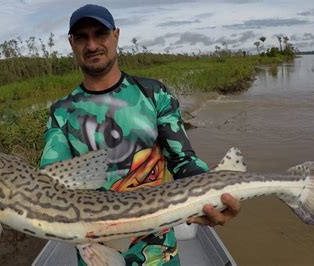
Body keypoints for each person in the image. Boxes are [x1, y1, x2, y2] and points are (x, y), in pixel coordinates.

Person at [39, 4, 241, 265]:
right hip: (94, 254)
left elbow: (183, 160)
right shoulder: (61, 112)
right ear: (72, 43)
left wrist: (211, 192)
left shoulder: (153, 93)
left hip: (159, 255)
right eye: (81, 37)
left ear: (116, 35)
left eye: (100, 33)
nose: (91, 45)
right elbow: (50, 182)